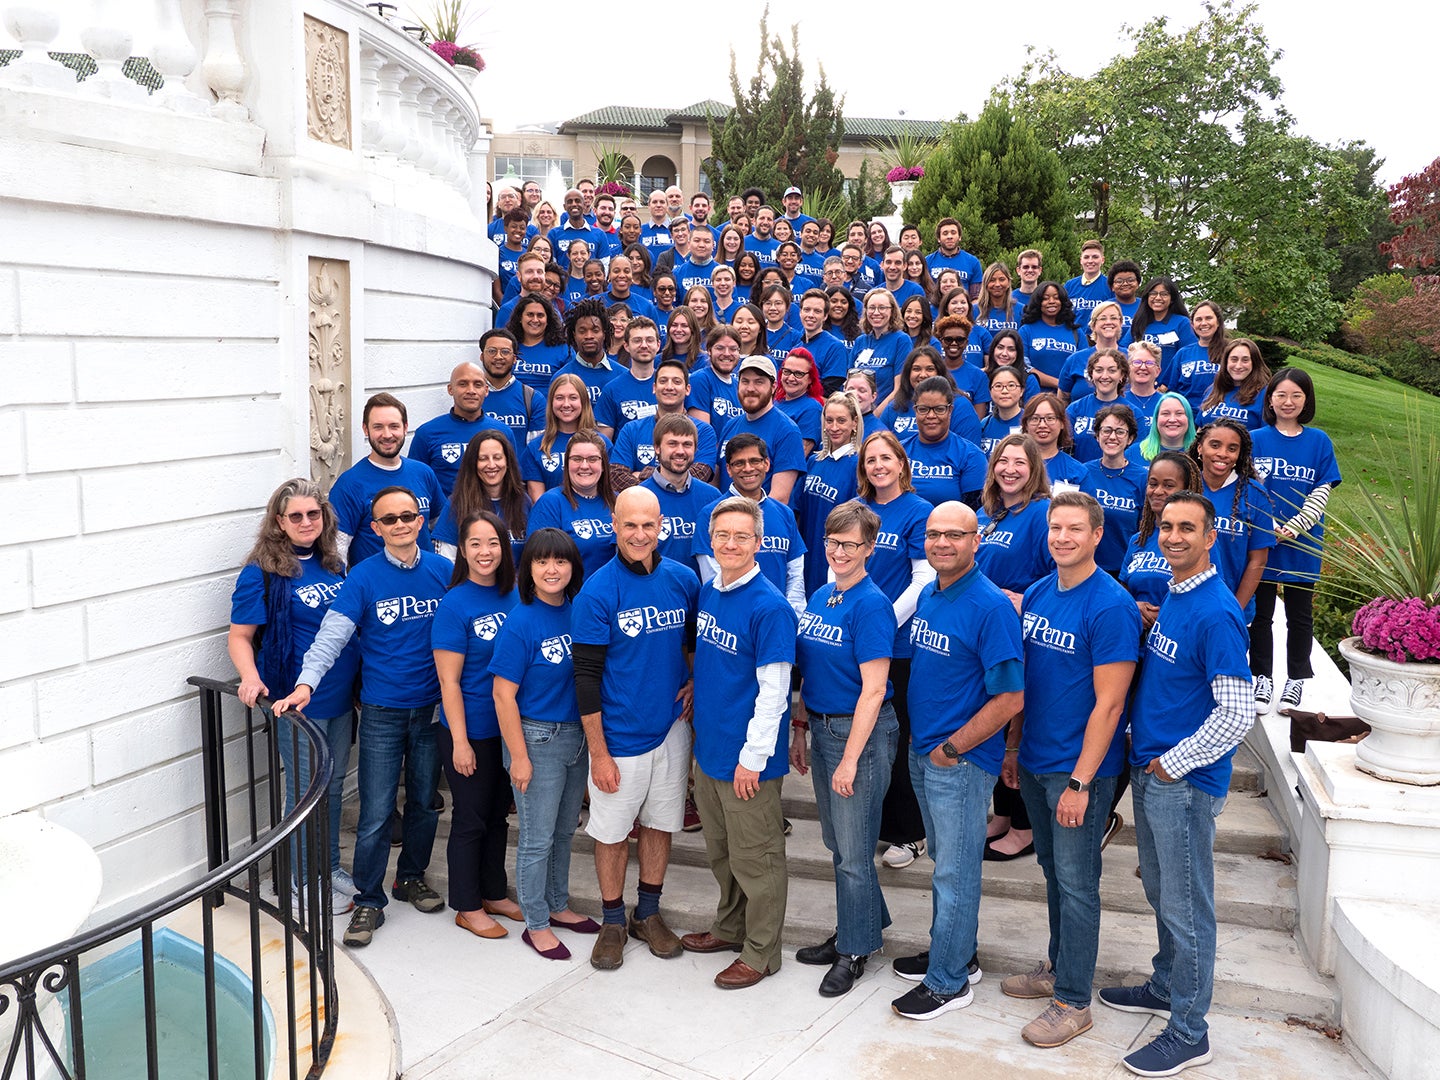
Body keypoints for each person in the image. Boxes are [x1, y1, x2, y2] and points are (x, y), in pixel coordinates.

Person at [1099, 491, 1253, 1078]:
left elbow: (1237, 713)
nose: (1174, 537)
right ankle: (1167, 986)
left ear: (1210, 537)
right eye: (1166, 527)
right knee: (1166, 894)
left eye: (1188, 528)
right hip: (1156, 770)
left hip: (1182, 782)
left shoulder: (1215, 610)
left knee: (1188, 907)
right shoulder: (1177, 595)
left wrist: (1174, 763)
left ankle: (1190, 1030)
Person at [274, 487, 453, 947]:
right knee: (375, 812)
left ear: (421, 521)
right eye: (389, 519)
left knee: (423, 803)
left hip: (431, 710)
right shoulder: (362, 578)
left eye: (407, 516)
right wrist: (305, 684)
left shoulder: (443, 571)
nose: (399, 525)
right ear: (376, 528)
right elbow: (332, 636)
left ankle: (409, 878)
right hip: (381, 712)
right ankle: (370, 901)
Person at [1003, 492, 1140, 1048]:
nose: (1062, 537)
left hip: (1080, 769)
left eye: (1074, 529)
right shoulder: (1039, 591)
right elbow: (1027, 683)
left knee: (1079, 884)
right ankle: (1058, 968)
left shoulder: (1109, 605)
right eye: (1055, 528)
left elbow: (1110, 704)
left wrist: (1082, 782)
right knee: (1054, 873)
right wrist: (1013, 747)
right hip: (1035, 758)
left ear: (1097, 535)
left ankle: (1074, 1001)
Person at [890, 501, 1024, 1021]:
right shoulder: (929, 592)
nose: (942, 543)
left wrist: (953, 748)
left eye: (955, 534)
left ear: (976, 541)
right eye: (934, 534)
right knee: (947, 863)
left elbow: (1010, 697)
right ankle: (955, 953)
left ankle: (947, 982)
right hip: (926, 753)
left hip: (959, 763)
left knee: (956, 870)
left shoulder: (989, 607)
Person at [571, 486, 701, 971]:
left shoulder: (683, 580)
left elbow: (693, 644)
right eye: (630, 525)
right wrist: (598, 753)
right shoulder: (598, 591)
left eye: (649, 525)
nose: (640, 534)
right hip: (619, 736)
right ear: (614, 525)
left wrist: (693, 680)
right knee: (610, 832)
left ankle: (647, 913)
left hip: (670, 729)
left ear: (661, 525)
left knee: (661, 823)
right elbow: (584, 678)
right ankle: (612, 921)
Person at [681, 496, 798, 989]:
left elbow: (774, 692)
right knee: (722, 853)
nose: (731, 544)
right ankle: (730, 928)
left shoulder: (770, 606)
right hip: (708, 751)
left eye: (742, 536)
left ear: (759, 542)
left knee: (758, 859)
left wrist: (752, 760)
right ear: (712, 539)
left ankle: (761, 951)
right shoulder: (710, 590)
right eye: (723, 535)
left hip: (746, 760)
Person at [228, 479, 359, 915]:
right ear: (279, 523)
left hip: (339, 694)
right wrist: (249, 678)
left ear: (325, 518)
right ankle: (301, 878)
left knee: (334, 784)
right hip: (296, 702)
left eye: (313, 514)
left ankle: (329, 866)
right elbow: (241, 637)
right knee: (304, 790)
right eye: (296, 516)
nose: (306, 522)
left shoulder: (333, 563)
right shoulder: (261, 573)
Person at [789, 501, 898, 997]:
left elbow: (873, 689)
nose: (837, 551)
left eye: (849, 544)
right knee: (838, 843)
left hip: (860, 734)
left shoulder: (872, 604)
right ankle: (866, 921)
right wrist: (800, 725)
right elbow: (812, 669)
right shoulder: (823, 594)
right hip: (824, 727)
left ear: (869, 548)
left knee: (854, 852)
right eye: (832, 542)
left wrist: (852, 758)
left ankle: (856, 948)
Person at [491, 527, 600, 960]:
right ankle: (535, 922)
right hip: (538, 738)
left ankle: (558, 905)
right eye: (541, 561)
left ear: (573, 567)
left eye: (560, 561)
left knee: (562, 831)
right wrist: (518, 756)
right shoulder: (521, 619)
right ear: (528, 569)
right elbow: (502, 694)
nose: (551, 569)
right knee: (536, 837)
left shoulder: (578, 610)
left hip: (576, 735)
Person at [432, 511, 523, 942]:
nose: (485, 552)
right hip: (469, 729)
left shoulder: (516, 595)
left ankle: (492, 892)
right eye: (475, 544)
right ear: (463, 550)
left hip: (509, 730)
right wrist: (460, 741)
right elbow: (448, 681)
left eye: (493, 543)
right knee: (470, 819)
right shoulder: (455, 603)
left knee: (497, 817)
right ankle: (466, 905)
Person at [856, 432, 936, 872]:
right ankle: (874, 822)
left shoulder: (917, 511)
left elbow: (922, 581)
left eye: (886, 458)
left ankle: (910, 833)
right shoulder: (858, 510)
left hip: (899, 644)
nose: (878, 466)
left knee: (899, 735)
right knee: (867, 738)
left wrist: (883, 624)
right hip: (861, 642)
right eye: (871, 459)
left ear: (902, 464)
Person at [975, 434, 1055, 861]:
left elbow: (1062, 570)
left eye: (1019, 463)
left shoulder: (1042, 514)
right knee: (994, 723)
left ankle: (1024, 825)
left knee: (1016, 726)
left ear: (1034, 469)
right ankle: (1003, 814)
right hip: (986, 636)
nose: (1009, 469)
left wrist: (1027, 600)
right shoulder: (989, 513)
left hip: (1024, 635)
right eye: (1002, 461)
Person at [1249, 368, 1340, 715]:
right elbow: (1251, 489)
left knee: (1300, 618)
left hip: (1302, 545)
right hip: (1264, 542)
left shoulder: (1319, 442)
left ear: (1307, 400)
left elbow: (1321, 490)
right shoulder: (1256, 439)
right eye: (1281, 395)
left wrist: (1295, 526)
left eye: (1296, 396)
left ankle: (1296, 680)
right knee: (1261, 614)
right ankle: (1262, 677)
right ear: (1270, 399)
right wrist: (1271, 527)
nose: (1288, 402)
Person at [694, 434, 806, 614]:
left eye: (755, 461)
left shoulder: (785, 513)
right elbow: (713, 577)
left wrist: (791, 615)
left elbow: (795, 574)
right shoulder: (711, 513)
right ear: (728, 469)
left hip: (777, 618)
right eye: (739, 463)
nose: (748, 468)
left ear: (767, 464)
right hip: (732, 619)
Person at [1187, 418, 1274, 626]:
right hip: (1185, 606)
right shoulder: (1186, 487)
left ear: (1239, 455)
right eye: (1215, 445)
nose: (1223, 454)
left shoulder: (1254, 495)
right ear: (1200, 447)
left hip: (1231, 609)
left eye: (1232, 448)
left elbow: (1258, 560)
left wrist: (1234, 609)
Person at [1120, 453, 1203, 629]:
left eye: (1169, 485)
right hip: (1135, 642)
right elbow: (1124, 589)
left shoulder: (1199, 540)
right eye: (1153, 483)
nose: (1157, 491)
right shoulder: (1138, 540)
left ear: (1186, 489)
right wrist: (1133, 607)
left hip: (1175, 640)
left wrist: (1166, 614)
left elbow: (1206, 596)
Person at [795, 391, 863, 597]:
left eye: (841, 421)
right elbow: (798, 509)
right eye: (829, 420)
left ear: (854, 423)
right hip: (808, 554)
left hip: (837, 557)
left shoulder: (858, 464)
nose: (834, 427)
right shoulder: (814, 461)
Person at [715, 355, 806, 504]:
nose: (750, 389)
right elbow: (717, 480)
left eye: (759, 382)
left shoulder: (787, 431)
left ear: (773, 386)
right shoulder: (730, 425)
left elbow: (780, 498)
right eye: (745, 381)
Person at [529, 431, 618, 579]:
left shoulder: (619, 502)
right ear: (567, 464)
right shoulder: (550, 503)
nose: (584, 466)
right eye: (577, 459)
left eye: (593, 459)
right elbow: (539, 562)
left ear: (603, 465)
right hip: (571, 597)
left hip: (613, 595)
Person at [641, 413, 723, 571]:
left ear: (695, 449)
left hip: (703, 593)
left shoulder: (713, 497)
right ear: (657, 448)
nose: (680, 451)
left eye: (687, 444)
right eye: (672, 444)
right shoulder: (639, 496)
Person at [433, 430, 530, 563]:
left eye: (497, 457)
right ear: (473, 463)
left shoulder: (523, 501)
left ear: (508, 462)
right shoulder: (457, 504)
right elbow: (446, 563)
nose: (491, 465)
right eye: (483, 459)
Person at [1081, 404, 1150, 576]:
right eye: (1107, 430)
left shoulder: (1143, 478)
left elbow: (1145, 530)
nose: (1112, 437)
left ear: (1131, 438)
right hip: (1084, 568)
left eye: (1120, 432)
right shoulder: (1082, 472)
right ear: (1097, 435)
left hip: (1122, 572)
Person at [899, 377, 987, 507]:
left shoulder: (971, 455)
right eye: (923, 409)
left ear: (950, 410)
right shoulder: (898, 451)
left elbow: (975, 512)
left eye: (939, 409)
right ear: (915, 410)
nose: (931, 416)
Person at [521, 372, 610, 499]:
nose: (566, 404)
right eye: (559, 398)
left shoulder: (603, 444)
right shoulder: (536, 448)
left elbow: (609, 492)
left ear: (584, 402)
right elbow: (538, 501)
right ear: (551, 402)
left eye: (573, 398)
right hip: (554, 516)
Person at [1162, 301, 1227, 412]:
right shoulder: (1183, 354)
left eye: (1208, 318)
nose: (1203, 323)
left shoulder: (1230, 351)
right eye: (1198, 319)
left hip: (1220, 416)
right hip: (1188, 417)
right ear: (1192, 325)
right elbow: (1170, 389)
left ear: (1218, 322)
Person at [1066, 348, 1130, 461]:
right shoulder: (1074, 409)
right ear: (1091, 374)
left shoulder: (1133, 412)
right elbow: (1064, 449)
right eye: (1099, 370)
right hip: (1080, 476)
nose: (1104, 376)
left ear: (1122, 375)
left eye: (1112, 370)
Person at [1019, 282, 1083, 391]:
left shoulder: (1076, 331)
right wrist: (1059, 384)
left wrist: (1065, 389)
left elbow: (1083, 366)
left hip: (1068, 399)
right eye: (1045, 298)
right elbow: (1024, 367)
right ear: (1038, 302)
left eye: (1056, 298)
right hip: (1035, 398)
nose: (1051, 302)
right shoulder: (1026, 330)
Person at [1059, 300, 1126, 404]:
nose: (1108, 322)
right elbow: (1063, 397)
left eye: (1113, 318)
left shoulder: (1131, 358)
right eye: (1103, 318)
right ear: (1093, 325)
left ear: (1120, 323)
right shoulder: (1075, 359)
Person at [852, 289, 911, 407]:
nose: (876, 312)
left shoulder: (901, 340)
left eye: (882, 308)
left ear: (892, 311)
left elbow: (899, 389)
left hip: (884, 413)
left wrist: (874, 415)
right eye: (872, 308)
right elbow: (849, 382)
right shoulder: (860, 341)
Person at [1197, 337, 1270, 431]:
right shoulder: (1213, 390)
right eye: (1234, 359)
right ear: (1226, 362)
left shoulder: (1264, 395)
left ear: (1254, 363)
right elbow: (1199, 431)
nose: (1238, 366)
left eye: (1245, 360)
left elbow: (1267, 435)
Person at [1130, 277, 1197, 372]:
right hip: (1142, 383)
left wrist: (1168, 383)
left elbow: (1190, 356)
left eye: (1164, 294)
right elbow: (1125, 351)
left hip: (1171, 385)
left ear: (1172, 299)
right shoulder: (1139, 322)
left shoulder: (1182, 323)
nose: (1158, 298)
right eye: (1153, 293)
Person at [773, 346, 824, 454]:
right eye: (787, 371)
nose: (791, 378)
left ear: (810, 378)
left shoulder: (812, 409)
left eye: (798, 374)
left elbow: (800, 453)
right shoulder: (775, 402)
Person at [1063, 240, 1115, 332]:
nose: (1090, 261)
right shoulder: (1069, 285)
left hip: (1099, 340)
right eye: (1086, 257)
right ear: (1081, 260)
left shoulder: (1110, 285)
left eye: (1095, 257)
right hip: (1073, 338)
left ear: (1102, 260)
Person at [924, 218, 983, 296]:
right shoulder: (927, 261)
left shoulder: (973, 262)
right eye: (945, 233)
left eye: (953, 232)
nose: (949, 236)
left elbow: (976, 297)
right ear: (939, 239)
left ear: (960, 237)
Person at [1136, 389, 1197, 463]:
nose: (1172, 420)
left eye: (1179, 413)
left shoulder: (1200, 454)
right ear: (1156, 419)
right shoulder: (1134, 452)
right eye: (1165, 413)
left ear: (1189, 419)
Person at [978, 365, 1026, 456]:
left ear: (1022, 390)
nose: (1004, 391)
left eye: (1011, 385)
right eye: (998, 386)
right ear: (990, 391)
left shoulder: (1029, 423)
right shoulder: (984, 424)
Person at [975, 261, 1024, 335]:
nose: (997, 284)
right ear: (986, 283)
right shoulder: (973, 310)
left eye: (1001, 279)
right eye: (992, 280)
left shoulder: (1021, 310)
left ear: (1008, 283)